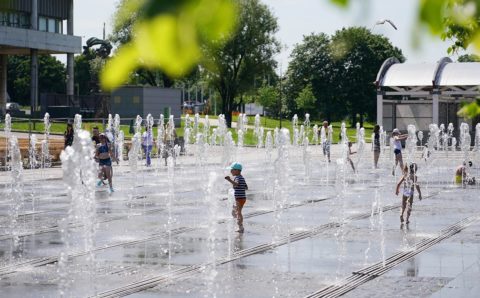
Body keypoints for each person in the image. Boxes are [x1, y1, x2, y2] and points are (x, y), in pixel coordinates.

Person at [225, 162, 248, 233]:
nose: (231, 171)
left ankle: (240, 227)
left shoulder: (238, 178)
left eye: (232, 170)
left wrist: (229, 180)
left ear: (237, 170)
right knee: (234, 212)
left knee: (238, 212)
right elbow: (246, 187)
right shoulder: (241, 178)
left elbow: (237, 184)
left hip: (240, 198)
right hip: (240, 198)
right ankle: (239, 222)